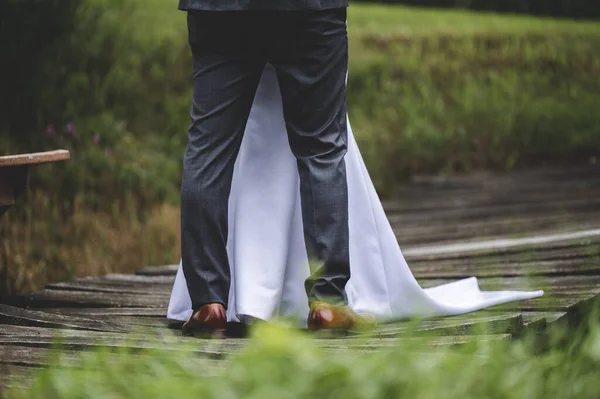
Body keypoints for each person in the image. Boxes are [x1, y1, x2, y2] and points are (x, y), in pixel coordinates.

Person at [178, 0, 358, 336]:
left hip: (219, 11)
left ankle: (208, 302)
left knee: (208, 150)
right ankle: (328, 302)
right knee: (321, 149)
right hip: (309, 10)